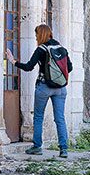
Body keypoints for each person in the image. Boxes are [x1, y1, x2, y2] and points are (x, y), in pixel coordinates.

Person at [6, 23, 73, 156]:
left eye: (37, 34)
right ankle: (63, 149)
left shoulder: (41, 49)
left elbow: (29, 67)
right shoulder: (62, 49)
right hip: (61, 88)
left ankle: (37, 147)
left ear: (40, 35)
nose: (36, 37)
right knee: (60, 118)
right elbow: (69, 68)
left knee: (38, 117)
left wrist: (13, 62)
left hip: (44, 87)